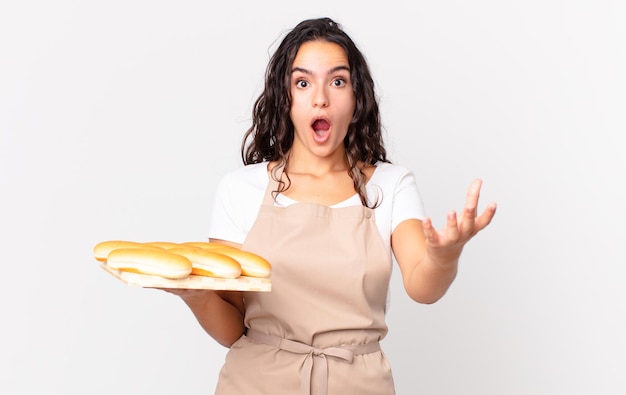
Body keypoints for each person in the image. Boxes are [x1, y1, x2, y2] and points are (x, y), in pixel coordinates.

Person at [167, 17, 497, 395]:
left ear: (357, 98)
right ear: (285, 98)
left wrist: (444, 256)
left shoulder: (391, 185)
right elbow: (231, 328)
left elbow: (423, 287)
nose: (320, 97)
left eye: (337, 81)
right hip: (256, 384)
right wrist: (196, 295)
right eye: (302, 82)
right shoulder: (240, 189)